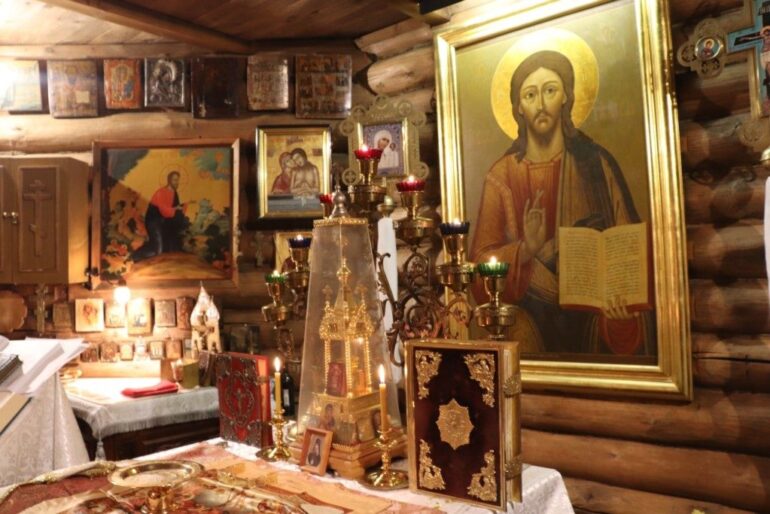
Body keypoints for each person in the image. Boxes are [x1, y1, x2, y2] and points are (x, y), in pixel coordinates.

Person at [469, 50, 654, 356]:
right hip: (530, 319)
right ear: (518, 107)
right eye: (530, 95)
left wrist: (623, 305)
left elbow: (628, 250)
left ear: (566, 96)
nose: (541, 105)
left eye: (550, 91)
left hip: (594, 318)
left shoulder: (596, 165)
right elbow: (478, 270)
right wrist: (526, 250)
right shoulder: (501, 176)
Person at [134, 171, 194, 261]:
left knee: (168, 248)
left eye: (178, 180)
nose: (177, 182)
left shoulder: (174, 193)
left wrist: (186, 204)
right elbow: (164, 211)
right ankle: (135, 256)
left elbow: (175, 209)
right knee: (157, 251)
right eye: (175, 180)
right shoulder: (161, 192)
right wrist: (176, 208)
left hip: (163, 223)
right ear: (169, 180)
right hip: (154, 222)